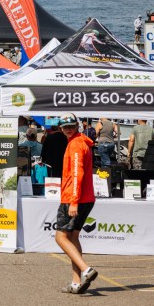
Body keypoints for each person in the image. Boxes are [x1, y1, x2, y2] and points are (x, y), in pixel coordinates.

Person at [54, 113, 99, 294]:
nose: (68, 129)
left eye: (71, 126)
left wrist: (73, 201)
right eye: (65, 127)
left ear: (77, 126)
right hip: (85, 198)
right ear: (60, 128)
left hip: (74, 198)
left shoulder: (75, 145)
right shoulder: (80, 142)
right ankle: (76, 282)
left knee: (60, 237)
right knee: (73, 238)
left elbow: (76, 174)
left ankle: (86, 269)